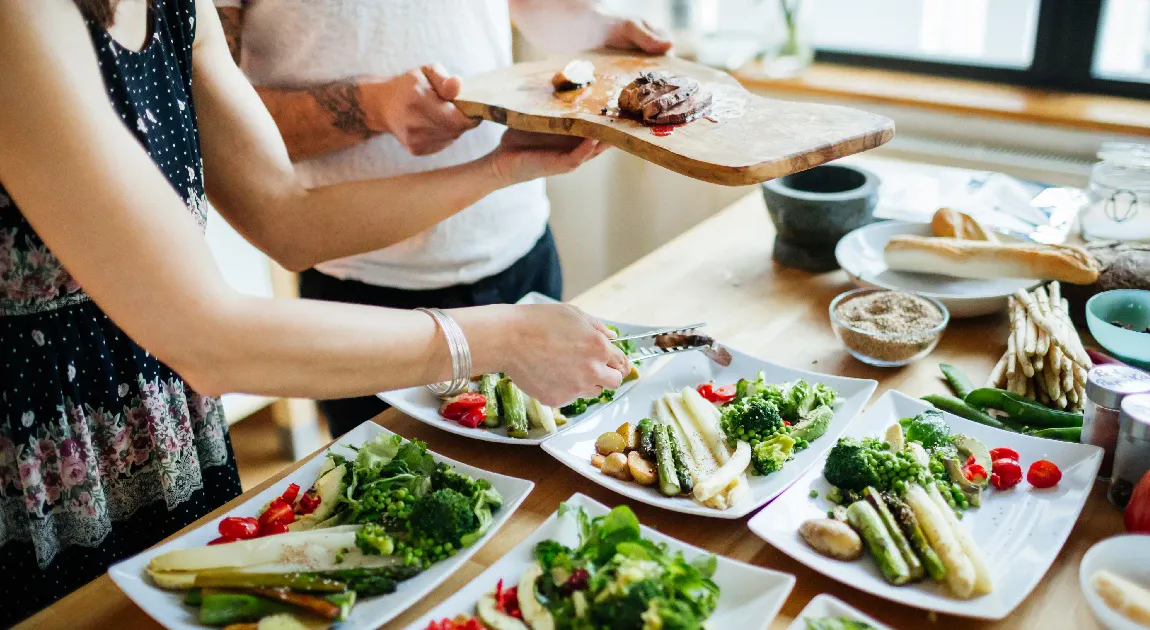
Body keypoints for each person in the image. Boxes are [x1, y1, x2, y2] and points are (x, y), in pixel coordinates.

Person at [0, 0, 631, 622]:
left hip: (157, 418)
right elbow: (206, 337)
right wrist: (500, 338)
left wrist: (500, 166)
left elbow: (287, 214)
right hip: (34, 446)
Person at [214, 0, 671, 438]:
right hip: (364, 295)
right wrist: (370, 107)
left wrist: (595, 27)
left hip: (522, 247)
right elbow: (215, 121)